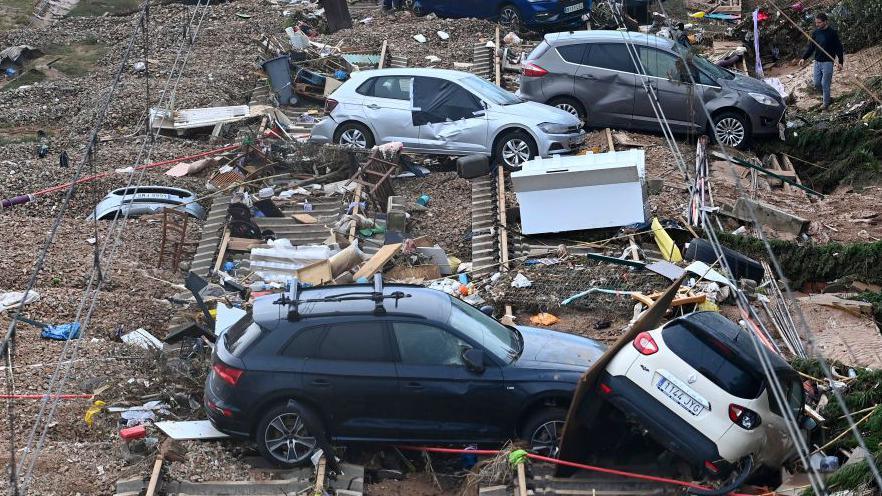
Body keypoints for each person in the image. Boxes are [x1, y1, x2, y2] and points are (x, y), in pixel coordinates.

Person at [799, 12, 844, 110]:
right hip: (817, 62)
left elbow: (839, 48)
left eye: (819, 22)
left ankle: (825, 104)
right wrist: (803, 58)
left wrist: (840, 62)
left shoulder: (832, 33)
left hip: (828, 62)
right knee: (817, 83)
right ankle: (826, 97)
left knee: (825, 83)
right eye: (816, 22)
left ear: (825, 22)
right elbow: (811, 47)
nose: (817, 24)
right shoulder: (815, 33)